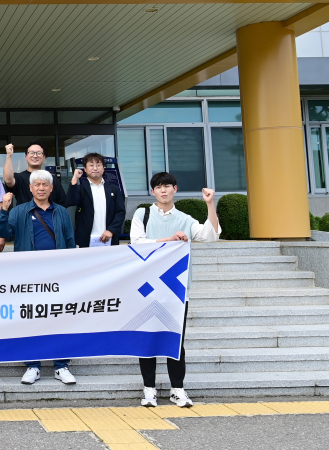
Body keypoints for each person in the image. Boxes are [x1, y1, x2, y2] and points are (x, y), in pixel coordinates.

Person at [131, 172, 220, 409]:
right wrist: (170, 240)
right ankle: (149, 389)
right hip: (148, 288)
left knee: (175, 341)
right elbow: (137, 243)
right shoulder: (143, 214)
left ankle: (177, 389)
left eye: (167, 186)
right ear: (152, 192)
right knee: (147, 340)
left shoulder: (185, 219)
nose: (163, 190)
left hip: (176, 290)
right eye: (159, 187)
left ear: (175, 189)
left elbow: (210, 236)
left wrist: (210, 204)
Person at [0, 169, 77, 386]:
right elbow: (4, 232)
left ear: (51, 188)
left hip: (58, 274)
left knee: (59, 318)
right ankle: (33, 365)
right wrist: (4, 210)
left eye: (45, 184)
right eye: (37, 185)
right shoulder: (19, 211)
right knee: (30, 319)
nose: (41, 188)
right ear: (30, 188)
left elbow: (70, 242)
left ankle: (61, 365)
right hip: (28, 275)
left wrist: (72, 272)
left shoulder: (61, 212)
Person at [65, 152, 126, 248]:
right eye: (91, 165)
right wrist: (74, 179)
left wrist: (111, 230)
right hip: (85, 240)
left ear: (103, 168)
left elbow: (120, 212)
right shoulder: (81, 188)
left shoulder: (113, 189)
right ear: (85, 169)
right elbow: (71, 201)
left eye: (98, 165)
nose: (95, 168)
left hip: (109, 239)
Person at [3, 141, 67, 206]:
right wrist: (9, 155)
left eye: (39, 153)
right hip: (25, 212)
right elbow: (8, 180)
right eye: (31, 153)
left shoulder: (52, 179)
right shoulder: (19, 178)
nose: (35, 156)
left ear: (44, 157)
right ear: (26, 157)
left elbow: (62, 203)